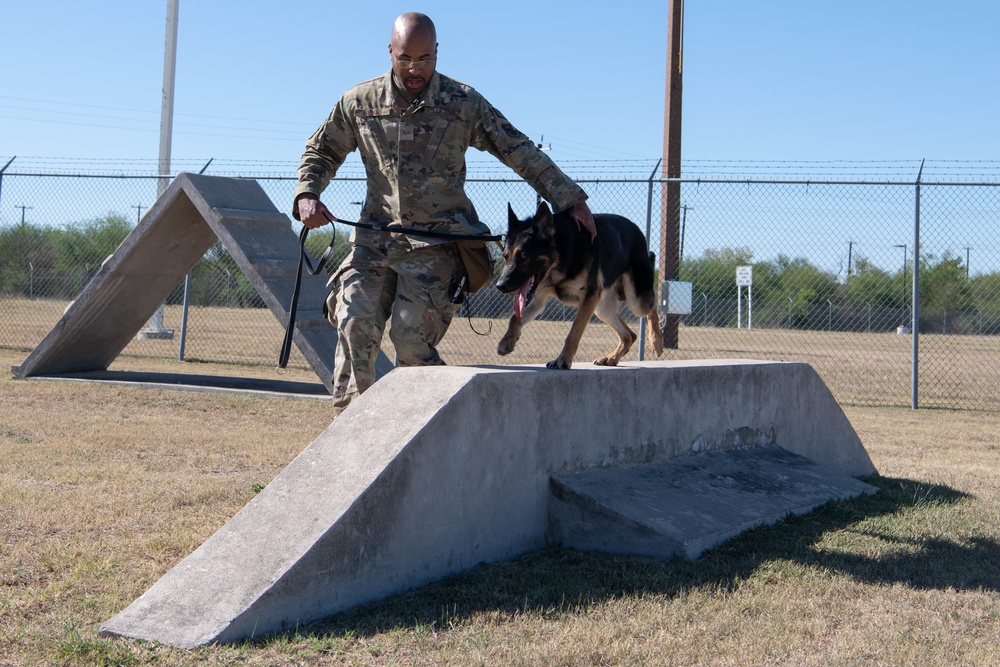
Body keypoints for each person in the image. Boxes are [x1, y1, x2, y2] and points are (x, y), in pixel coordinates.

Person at [293, 12, 596, 416]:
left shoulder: (462, 103)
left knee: (412, 341)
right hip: (374, 240)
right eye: (405, 59)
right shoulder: (359, 103)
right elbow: (322, 150)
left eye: (425, 58)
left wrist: (569, 199)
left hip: (436, 245)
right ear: (390, 52)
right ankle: (352, 437)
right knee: (354, 325)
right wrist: (307, 193)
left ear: (437, 52)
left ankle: (424, 432)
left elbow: (517, 148)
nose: (415, 69)